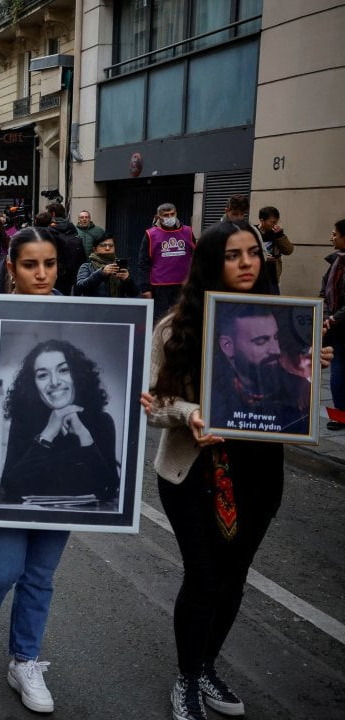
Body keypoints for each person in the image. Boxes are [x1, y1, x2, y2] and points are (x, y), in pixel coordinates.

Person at [141, 219, 332, 720]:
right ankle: (186, 677)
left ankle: (206, 665)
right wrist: (189, 414)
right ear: (210, 261)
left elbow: (293, 397)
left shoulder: (283, 321)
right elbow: (154, 405)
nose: (247, 263)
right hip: (194, 473)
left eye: (253, 253)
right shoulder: (176, 327)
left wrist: (309, 369)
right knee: (204, 578)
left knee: (233, 580)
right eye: (233, 254)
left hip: (259, 473)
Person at [0, 227, 70, 714]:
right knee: (2, 567)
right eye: (30, 265)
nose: (41, 273)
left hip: (64, 474)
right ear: (12, 267)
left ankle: (25, 660)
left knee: (40, 574)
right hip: (5, 466)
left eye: (49, 264)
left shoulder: (81, 315)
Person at [0, 339, 120, 504]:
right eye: (43, 375)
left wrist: (84, 436)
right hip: (32, 518)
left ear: (77, 375)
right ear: (33, 384)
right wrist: (48, 434)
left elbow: (109, 488)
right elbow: (10, 486)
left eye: (63, 370)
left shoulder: (102, 421)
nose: (54, 382)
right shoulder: (23, 422)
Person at [208, 304, 311, 434]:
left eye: (276, 337)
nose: (276, 350)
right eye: (261, 341)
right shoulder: (211, 391)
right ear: (227, 346)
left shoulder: (299, 389)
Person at [137, 203, 196, 320]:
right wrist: (145, 288)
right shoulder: (150, 234)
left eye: (172, 214)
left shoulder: (188, 232)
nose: (170, 217)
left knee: (182, 318)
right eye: (166, 215)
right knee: (160, 319)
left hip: (183, 285)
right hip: (159, 287)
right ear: (159, 217)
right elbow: (143, 263)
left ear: (176, 213)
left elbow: (196, 257)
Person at [322, 219, 345, 430]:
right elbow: (324, 293)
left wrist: (332, 318)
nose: (332, 237)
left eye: (335, 234)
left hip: (340, 326)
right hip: (337, 325)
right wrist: (327, 314)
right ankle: (339, 415)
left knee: (338, 370)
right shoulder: (336, 262)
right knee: (338, 370)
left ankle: (339, 417)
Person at [257, 206, 294, 282]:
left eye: (276, 222)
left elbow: (288, 251)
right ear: (262, 220)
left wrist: (280, 235)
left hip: (272, 277)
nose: (275, 225)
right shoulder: (253, 233)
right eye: (272, 222)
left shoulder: (276, 233)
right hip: (256, 276)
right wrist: (263, 257)